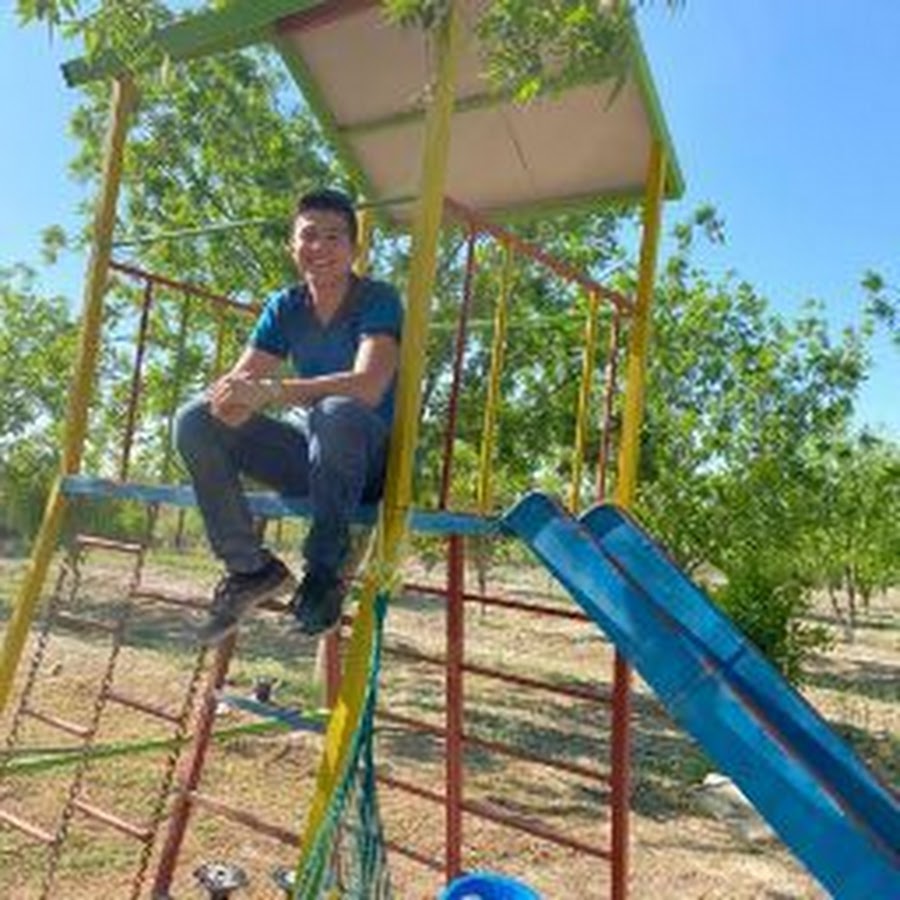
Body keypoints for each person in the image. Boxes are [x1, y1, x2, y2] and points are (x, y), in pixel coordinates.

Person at [175, 188, 403, 644]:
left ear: (354, 249)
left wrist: (273, 391)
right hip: (311, 458)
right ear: (291, 246)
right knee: (195, 419)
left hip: (368, 463)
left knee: (336, 412)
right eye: (308, 236)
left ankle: (323, 573)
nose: (320, 247)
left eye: (334, 237)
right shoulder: (285, 306)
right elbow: (238, 385)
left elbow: (369, 385)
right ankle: (250, 569)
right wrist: (230, 400)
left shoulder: (378, 298)